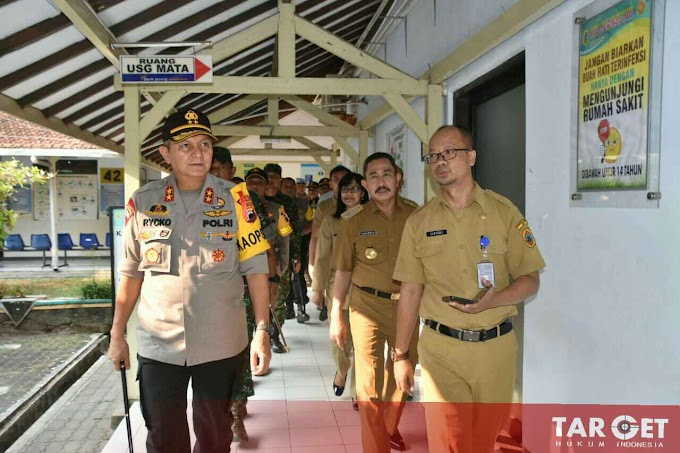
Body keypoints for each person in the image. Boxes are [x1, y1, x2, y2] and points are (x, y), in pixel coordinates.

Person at [108, 108, 272, 453]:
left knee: (214, 436)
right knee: (164, 436)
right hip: (158, 342)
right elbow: (130, 272)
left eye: (204, 144)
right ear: (165, 153)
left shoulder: (237, 201)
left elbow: (256, 268)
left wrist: (261, 330)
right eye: (185, 146)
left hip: (220, 341)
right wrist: (117, 333)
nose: (198, 153)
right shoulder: (143, 201)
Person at [392, 126, 546, 453]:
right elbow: (410, 292)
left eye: (450, 152)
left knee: (484, 442)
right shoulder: (419, 223)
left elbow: (531, 279)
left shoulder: (505, 213)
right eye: (433, 156)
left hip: (496, 348)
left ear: (471, 157)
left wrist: (496, 300)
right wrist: (401, 355)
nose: (440, 161)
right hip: (440, 349)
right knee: (450, 443)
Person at [330, 153, 418, 453]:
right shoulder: (353, 222)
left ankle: (388, 428)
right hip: (365, 305)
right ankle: (375, 446)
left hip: (406, 307)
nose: (382, 182)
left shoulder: (415, 216)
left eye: (387, 174)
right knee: (368, 382)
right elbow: (342, 271)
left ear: (398, 177)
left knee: (403, 369)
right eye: (374, 177)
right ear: (366, 184)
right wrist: (335, 315)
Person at [209, 154, 280, 443]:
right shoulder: (193, 201)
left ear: (230, 170)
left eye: (219, 167)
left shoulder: (245, 204)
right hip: (205, 298)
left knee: (239, 351)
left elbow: (264, 248)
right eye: (210, 167)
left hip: (242, 292)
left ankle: (236, 413)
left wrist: (271, 281)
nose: (213, 172)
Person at [311, 172, 368, 408]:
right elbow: (322, 257)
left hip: (365, 289)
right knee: (339, 340)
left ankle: (359, 391)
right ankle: (342, 369)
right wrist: (317, 288)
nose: (349, 193)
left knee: (364, 344)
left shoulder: (372, 221)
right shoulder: (331, 221)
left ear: (364, 192)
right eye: (345, 189)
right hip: (337, 288)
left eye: (354, 189)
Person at [264, 163, 302, 327]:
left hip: (282, 255)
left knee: (280, 294)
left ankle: (275, 333)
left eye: (275, 177)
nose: (272, 180)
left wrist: (296, 255)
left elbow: (294, 231)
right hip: (259, 255)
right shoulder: (253, 199)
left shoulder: (286, 201)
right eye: (269, 177)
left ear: (280, 179)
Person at [308, 166, 350, 309]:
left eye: (344, 178)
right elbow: (315, 238)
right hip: (333, 273)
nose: (340, 182)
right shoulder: (325, 208)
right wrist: (312, 266)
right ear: (331, 184)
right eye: (336, 179)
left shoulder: (363, 207)